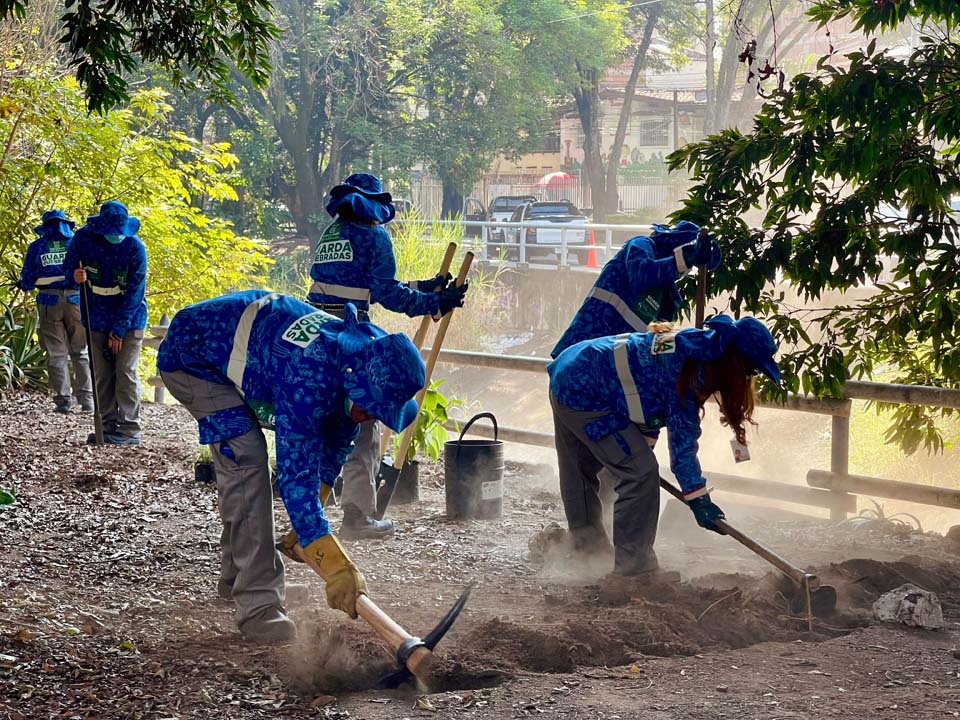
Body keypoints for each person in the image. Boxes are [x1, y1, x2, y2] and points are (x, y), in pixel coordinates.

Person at [157, 291, 425, 643]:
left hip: (231, 346)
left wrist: (309, 529)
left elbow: (334, 446)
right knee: (247, 458)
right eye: (370, 404)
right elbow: (295, 478)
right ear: (353, 380)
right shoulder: (309, 375)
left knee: (252, 458)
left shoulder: (354, 363)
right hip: (192, 355)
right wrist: (335, 565)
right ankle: (259, 606)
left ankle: (240, 577)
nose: (370, 414)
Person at [547, 315, 781, 576]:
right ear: (735, 362)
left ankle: (586, 548)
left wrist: (641, 449)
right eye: (751, 370)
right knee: (640, 473)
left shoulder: (690, 347)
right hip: (583, 391)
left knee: (581, 467)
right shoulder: (689, 372)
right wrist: (699, 499)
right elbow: (682, 453)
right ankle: (635, 570)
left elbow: (646, 398)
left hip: (570, 371)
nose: (750, 378)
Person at [307, 172, 468, 540]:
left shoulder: (331, 233)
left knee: (323, 417)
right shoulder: (375, 235)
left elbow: (368, 285)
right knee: (364, 416)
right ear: (377, 205)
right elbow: (389, 296)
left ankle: (314, 505)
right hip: (350, 335)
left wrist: (424, 287)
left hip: (315, 331)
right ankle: (358, 516)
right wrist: (435, 301)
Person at [551, 220, 722, 359]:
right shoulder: (640, 245)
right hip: (582, 348)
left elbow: (656, 341)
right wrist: (685, 259)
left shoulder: (667, 293)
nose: (685, 270)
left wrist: (689, 347)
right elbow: (641, 274)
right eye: (688, 262)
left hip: (609, 363)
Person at [64, 201, 147, 446]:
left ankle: (130, 429)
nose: (116, 236)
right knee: (101, 373)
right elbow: (69, 269)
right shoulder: (83, 239)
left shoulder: (135, 247)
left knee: (125, 371)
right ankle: (107, 425)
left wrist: (119, 331)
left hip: (130, 318)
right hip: (96, 313)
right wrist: (74, 276)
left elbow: (135, 293)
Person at [17, 210, 93, 414]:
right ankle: (87, 401)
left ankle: (63, 401)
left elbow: (26, 282)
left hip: (49, 301)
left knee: (56, 352)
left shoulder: (37, 247)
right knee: (81, 351)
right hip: (76, 300)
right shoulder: (76, 244)